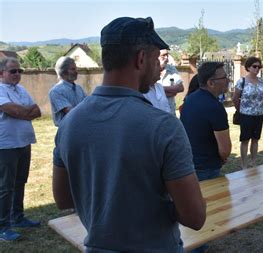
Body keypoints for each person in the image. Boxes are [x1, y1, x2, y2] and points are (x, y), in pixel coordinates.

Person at [51, 17, 206, 252]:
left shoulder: (69, 123)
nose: (159, 69)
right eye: (156, 60)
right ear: (141, 59)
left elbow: (63, 200)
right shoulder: (163, 126)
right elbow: (195, 217)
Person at [0, 57, 41, 241]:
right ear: (1, 73)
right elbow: (20, 111)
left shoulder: (21, 90)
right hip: (6, 145)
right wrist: (25, 112)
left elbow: (37, 111)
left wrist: (23, 112)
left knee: (19, 182)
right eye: (13, 71)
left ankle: (17, 218)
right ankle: (3, 227)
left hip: (24, 142)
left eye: (19, 71)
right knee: (5, 187)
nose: (18, 74)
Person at [180, 61, 231, 181]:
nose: (228, 80)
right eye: (224, 77)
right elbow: (225, 150)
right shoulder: (215, 107)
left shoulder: (190, 99)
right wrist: (222, 157)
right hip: (207, 169)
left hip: (189, 164)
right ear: (211, 83)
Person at [232, 56, 263, 169]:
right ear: (248, 67)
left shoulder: (261, 81)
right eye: (254, 66)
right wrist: (240, 110)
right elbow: (235, 98)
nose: (257, 68)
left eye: (259, 67)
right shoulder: (242, 81)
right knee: (245, 140)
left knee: (256, 139)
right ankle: (243, 163)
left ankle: (253, 161)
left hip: (259, 114)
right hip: (246, 115)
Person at [48, 56, 87, 126]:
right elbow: (71, 113)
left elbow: (88, 106)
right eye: (73, 69)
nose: (76, 72)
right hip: (67, 130)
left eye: (76, 69)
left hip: (81, 127)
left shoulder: (79, 88)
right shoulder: (56, 91)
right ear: (63, 71)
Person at [159, 49, 184, 116]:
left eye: (167, 54)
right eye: (163, 55)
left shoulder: (171, 69)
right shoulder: (150, 70)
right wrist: (171, 90)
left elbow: (181, 88)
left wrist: (158, 89)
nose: (166, 57)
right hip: (156, 113)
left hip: (170, 113)